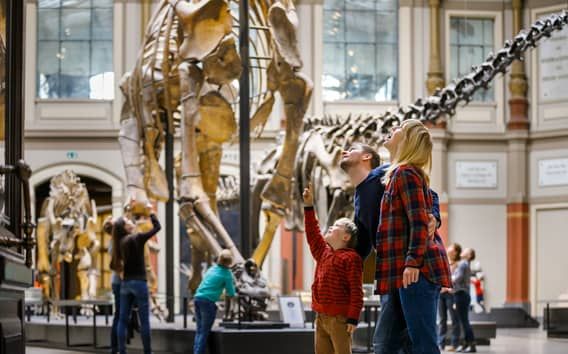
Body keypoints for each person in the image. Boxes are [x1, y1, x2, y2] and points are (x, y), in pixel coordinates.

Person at [340, 141, 442, 354]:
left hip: (409, 267)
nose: (344, 151)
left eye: (352, 149)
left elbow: (429, 193)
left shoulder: (385, 173)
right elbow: (363, 245)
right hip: (390, 273)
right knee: (391, 342)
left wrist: (434, 216)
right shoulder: (359, 197)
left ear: (367, 157)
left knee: (398, 342)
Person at [374, 119, 452, 354]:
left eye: (399, 128)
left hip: (416, 271)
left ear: (407, 140)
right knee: (398, 344)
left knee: (424, 344)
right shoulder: (400, 173)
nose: (392, 129)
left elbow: (419, 223)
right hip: (403, 272)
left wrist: (412, 262)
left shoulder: (406, 173)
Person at [303, 184, 363, 354]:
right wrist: (308, 206)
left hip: (340, 320)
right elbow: (312, 233)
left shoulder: (351, 259)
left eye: (336, 225)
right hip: (321, 317)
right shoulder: (323, 252)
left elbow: (356, 291)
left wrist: (353, 318)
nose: (331, 226)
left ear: (346, 237)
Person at [116, 209, 161, 354]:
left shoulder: (120, 242)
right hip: (140, 283)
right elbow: (157, 227)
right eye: (127, 221)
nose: (131, 221)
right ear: (125, 227)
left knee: (122, 320)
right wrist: (151, 213)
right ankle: (147, 352)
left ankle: (121, 351)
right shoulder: (138, 238)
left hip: (126, 284)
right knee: (145, 320)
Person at [193, 249, 236, 354]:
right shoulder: (227, 274)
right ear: (230, 262)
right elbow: (231, 293)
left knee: (199, 330)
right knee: (204, 332)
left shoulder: (212, 268)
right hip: (207, 302)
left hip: (197, 298)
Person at [438, 243, 462, 351]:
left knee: (454, 319)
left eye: (451, 247)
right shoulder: (444, 261)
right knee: (442, 319)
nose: (449, 248)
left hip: (451, 294)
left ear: (456, 251)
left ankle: (454, 343)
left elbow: (457, 280)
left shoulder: (459, 265)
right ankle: (440, 343)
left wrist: (448, 287)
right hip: (441, 294)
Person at [454, 248, 477, 353]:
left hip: (461, 294)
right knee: (463, 321)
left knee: (464, 321)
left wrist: (447, 279)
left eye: (466, 251)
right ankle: (466, 344)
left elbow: (458, 278)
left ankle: (471, 344)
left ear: (469, 256)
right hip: (462, 294)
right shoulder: (464, 264)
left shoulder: (463, 264)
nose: (463, 251)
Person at [105, 217, 122, 354]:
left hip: (118, 282)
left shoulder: (114, 242)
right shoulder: (116, 243)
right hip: (120, 282)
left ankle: (115, 347)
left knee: (120, 315)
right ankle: (115, 348)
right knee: (120, 315)